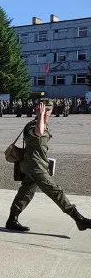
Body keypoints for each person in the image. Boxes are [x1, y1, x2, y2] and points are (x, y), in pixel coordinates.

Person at [6, 99, 91, 232]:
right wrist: (40, 115)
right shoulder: (33, 125)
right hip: (35, 167)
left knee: (25, 193)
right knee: (55, 191)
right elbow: (38, 132)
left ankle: (12, 220)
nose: (47, 113)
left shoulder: (44, 124)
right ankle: (79, 219)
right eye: (45, 110)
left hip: (36, 165)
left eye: (48, 111)